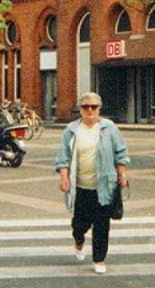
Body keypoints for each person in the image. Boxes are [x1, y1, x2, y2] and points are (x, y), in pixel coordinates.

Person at [54, 92, 130, 275]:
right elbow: (63, 157)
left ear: (99, 108)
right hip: (81, 187)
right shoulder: (71, 130)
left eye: (93, 107)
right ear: (80, 109)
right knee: (79, 224)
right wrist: (64, 177)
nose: (89, 110)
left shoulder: (109, 128)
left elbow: (120, 152)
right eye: (85, 107)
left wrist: (122, 174)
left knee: (102, 224)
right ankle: (79, 240)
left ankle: (99, 259)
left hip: (104, 186)